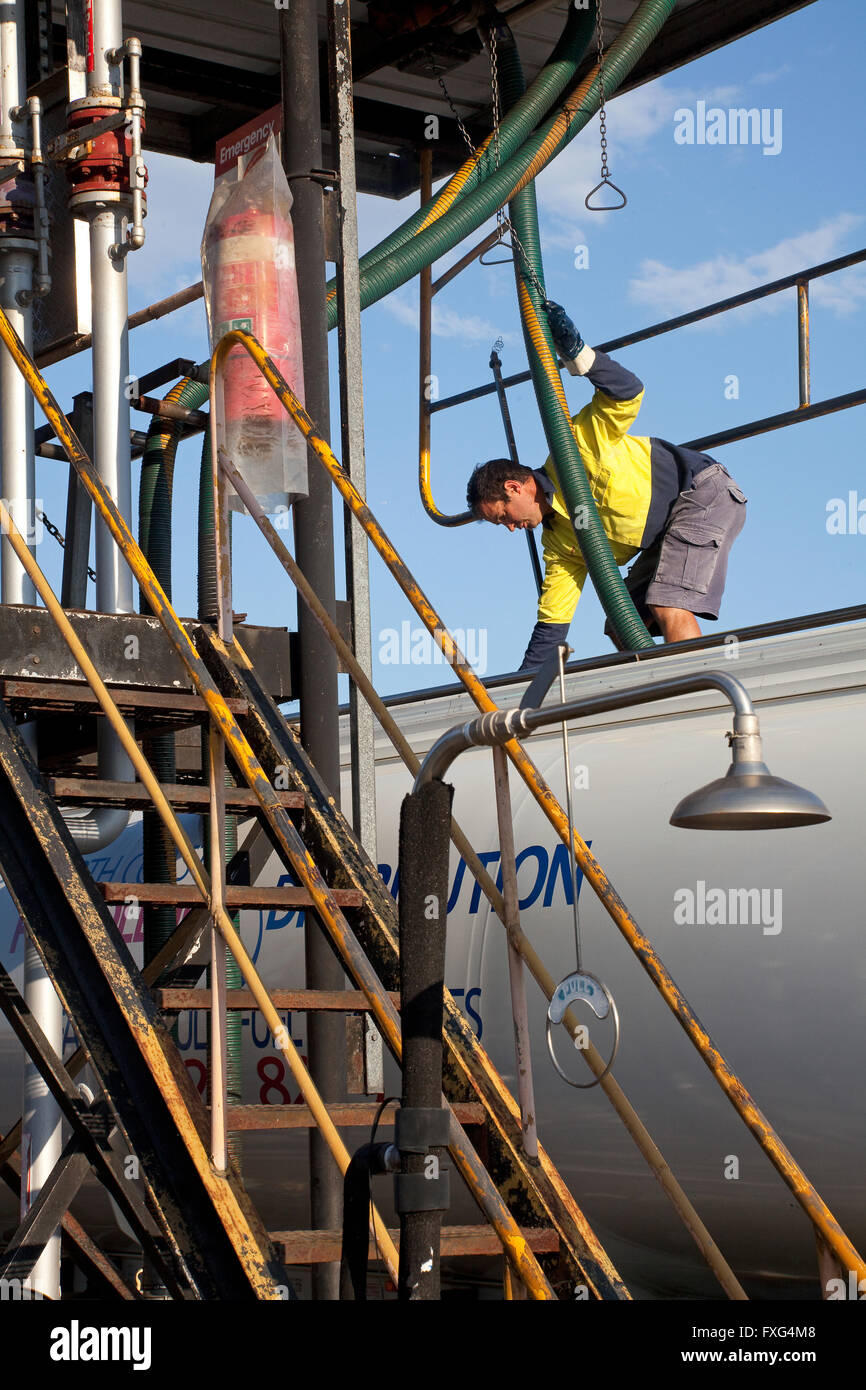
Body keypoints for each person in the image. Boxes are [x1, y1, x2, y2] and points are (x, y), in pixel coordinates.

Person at [466, 329, 747, 671]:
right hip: (663, 535)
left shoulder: (576, 443)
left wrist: (577, 353)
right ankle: (654, 687)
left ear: (514, 487)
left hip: (701, 493)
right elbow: (551, 627)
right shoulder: (559, 544)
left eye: (504, 517)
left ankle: (691, 694)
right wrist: (516, 695)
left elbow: (628, 391)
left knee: (667, 604)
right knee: (621, 624)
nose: (511, 528)